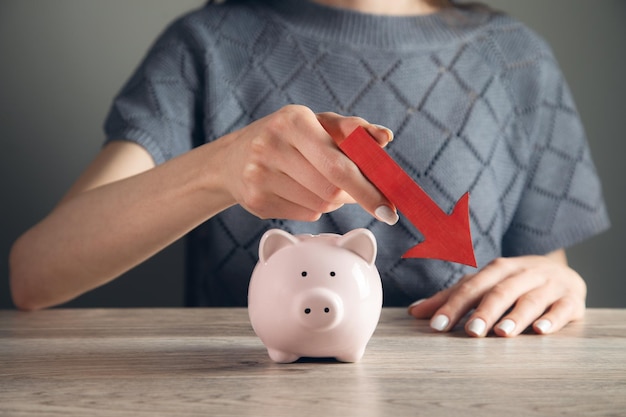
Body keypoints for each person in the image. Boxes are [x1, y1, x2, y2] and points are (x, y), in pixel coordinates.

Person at [9, 0, 610, 338]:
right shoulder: (205, 46)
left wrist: (559, 287)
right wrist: (221, 168)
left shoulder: (516, 61)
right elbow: (36, 274)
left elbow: (537, 275)